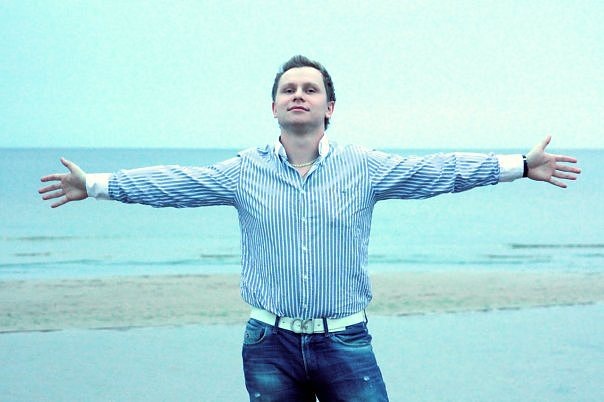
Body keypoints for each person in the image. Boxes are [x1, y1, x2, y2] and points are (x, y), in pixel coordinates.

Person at [39, 55, 581, 401]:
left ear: (330, 107)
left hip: (345, 341)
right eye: (289, 89)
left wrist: (518, 165)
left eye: (310, 88)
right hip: (268, 343)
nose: (298, 94)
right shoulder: (243, 171)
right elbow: (176, 183)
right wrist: (96, 184)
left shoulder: (363, 166)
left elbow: (438, 172)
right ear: (274, 106)